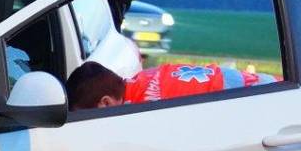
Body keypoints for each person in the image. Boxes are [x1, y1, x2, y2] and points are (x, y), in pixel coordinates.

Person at [66, 60, 277, 110]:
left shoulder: (143, 106)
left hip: (242, 95)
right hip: (233, 78)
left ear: (105, 103)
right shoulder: (142, 77)